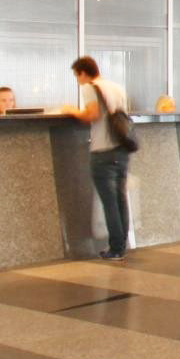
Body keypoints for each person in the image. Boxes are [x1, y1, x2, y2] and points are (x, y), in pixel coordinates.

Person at [60, 56, 131, 260]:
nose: (78, 81)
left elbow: (92, 114)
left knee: (109, 202)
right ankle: (121, 245)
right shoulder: (117, 88)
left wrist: (72, 111)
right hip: (121, 149)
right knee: (120, 199)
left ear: (83, 73)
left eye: (77, 76)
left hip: (103, 150)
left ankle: (116, 248)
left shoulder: (90, 87)